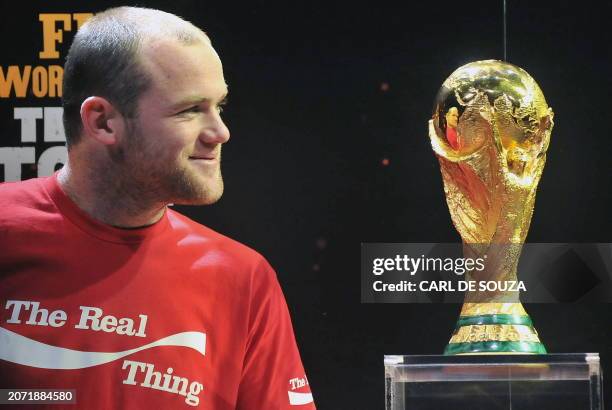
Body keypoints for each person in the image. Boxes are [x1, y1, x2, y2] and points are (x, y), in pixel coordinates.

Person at [0, 7, 315, 409]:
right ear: (103, 122)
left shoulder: (242, 278)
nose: (220, 132)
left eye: (219, 106)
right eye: (189, 110)